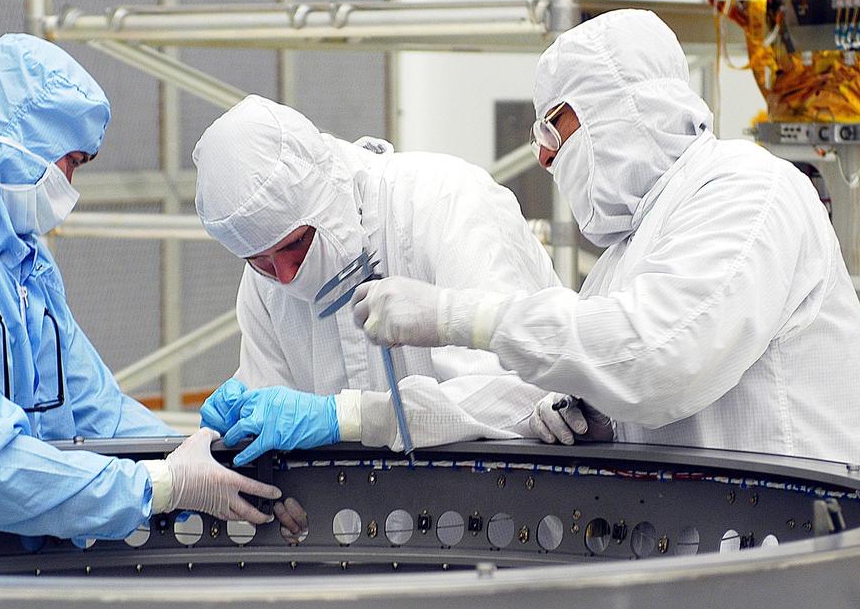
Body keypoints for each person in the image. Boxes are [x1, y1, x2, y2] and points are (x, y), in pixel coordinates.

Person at [353, 9, 860, 467]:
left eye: (552, 129)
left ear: (617, 105)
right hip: (713, 551)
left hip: (801, 545)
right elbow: (626, 372)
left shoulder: (747, 189)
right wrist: (593, 416)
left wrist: (455, 315)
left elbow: (660, 358)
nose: (544, 157)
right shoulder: (623, 254)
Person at [0, 34, 278, 543]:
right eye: (70, 162)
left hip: (1, 573)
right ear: (18, 144)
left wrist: (201, 455)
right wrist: (162, 485)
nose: (71, 184)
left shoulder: (18, 256)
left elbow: (91, 406)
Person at [193, 95, 604, 483]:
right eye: (259, 261)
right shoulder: (263, 287)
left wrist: (350, 417)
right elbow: (271, 425)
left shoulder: (444, 202)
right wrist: (239, 463)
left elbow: (518, 394)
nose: (284, 276)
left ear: (325, 196)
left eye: (296, 244)